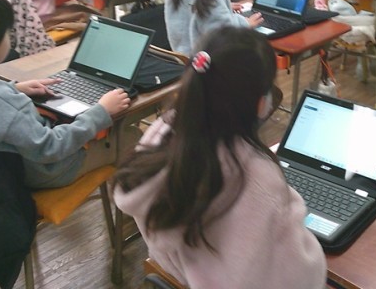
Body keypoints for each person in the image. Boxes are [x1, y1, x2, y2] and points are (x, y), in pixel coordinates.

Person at [113, 26, 326, 289]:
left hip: (179, 274)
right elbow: (303, 279)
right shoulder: (258, 180)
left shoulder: (161, 133)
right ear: (260, 103)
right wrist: (289, 206)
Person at [0, 0, 131, 189]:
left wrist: (15, 89)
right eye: (8, 33)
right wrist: (100, 111)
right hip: (47, 171)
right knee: (131, 137)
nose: (10, 39)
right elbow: (50, 147)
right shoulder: (0, 103)